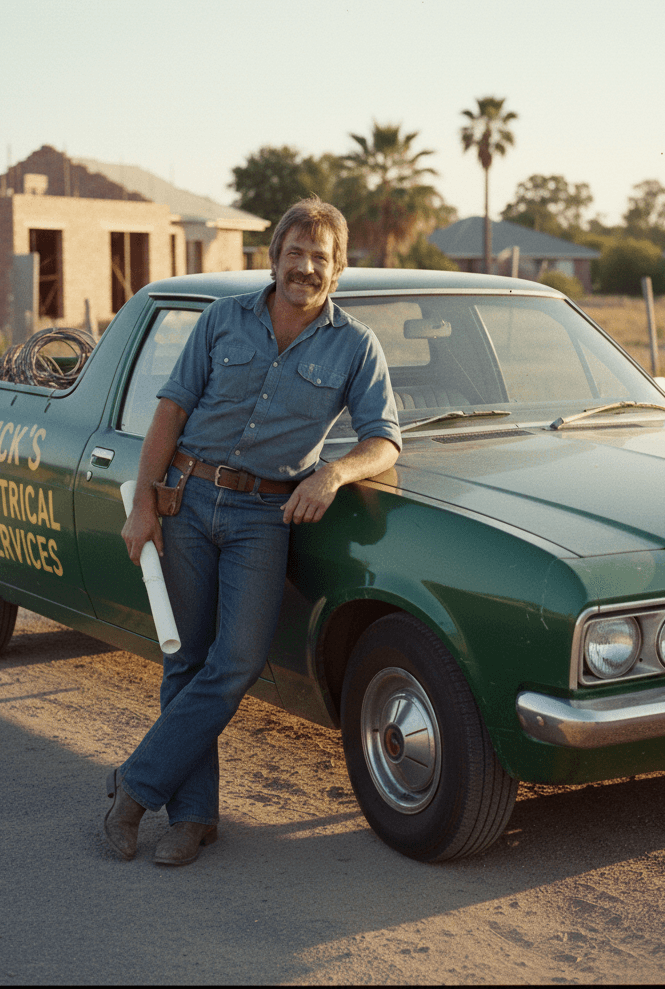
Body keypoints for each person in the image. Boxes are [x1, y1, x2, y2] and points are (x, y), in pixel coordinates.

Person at [106, 196, 401, 865]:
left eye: (319, 258)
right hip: (186, 500)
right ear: (273, 258)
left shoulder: (355, 345)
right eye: (294, 254)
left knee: (235, 662)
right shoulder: (222, 320)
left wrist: (331, 475)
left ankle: (132, 787)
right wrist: (145, 504)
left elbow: (385, 440)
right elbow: (170, 413)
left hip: (263, 518)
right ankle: (192, 818)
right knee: (187, 660)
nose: (304, 267)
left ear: (338, 268)